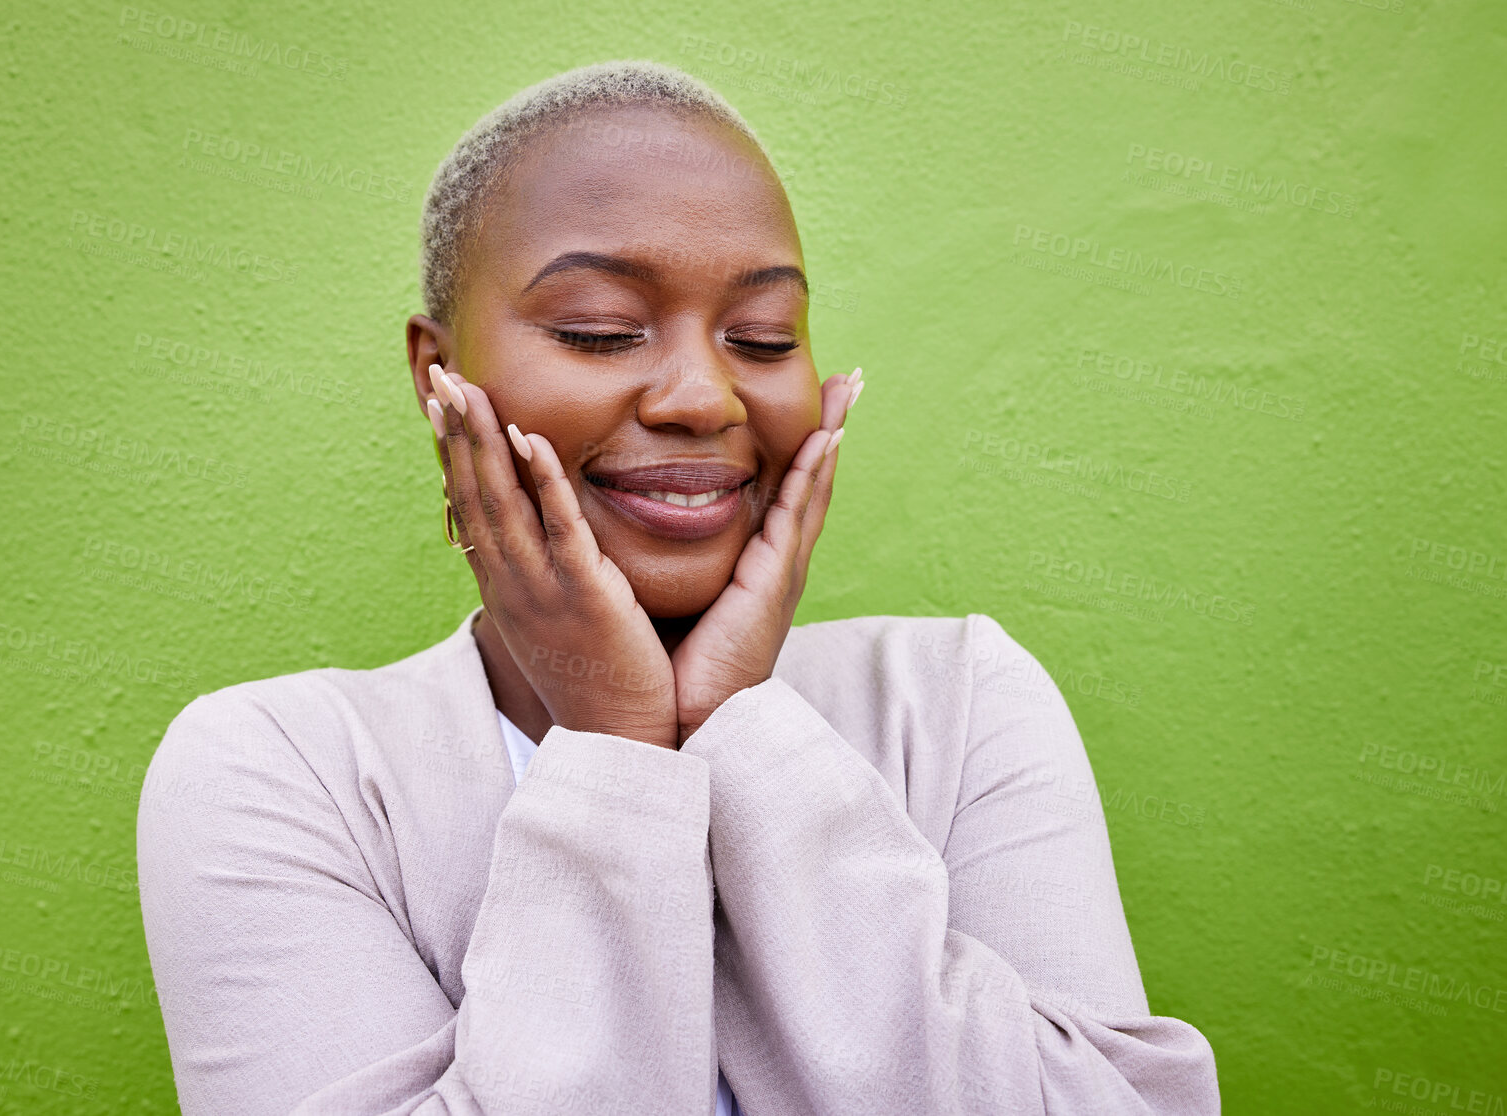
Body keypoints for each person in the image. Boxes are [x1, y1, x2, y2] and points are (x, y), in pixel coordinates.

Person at [136, 60, 1221, 1115]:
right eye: (597, 329)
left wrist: (737, 728)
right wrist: (614, 748)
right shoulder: (281, 771)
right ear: (439, 376)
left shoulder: (957, 698)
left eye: (762, 337)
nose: (703, 397)